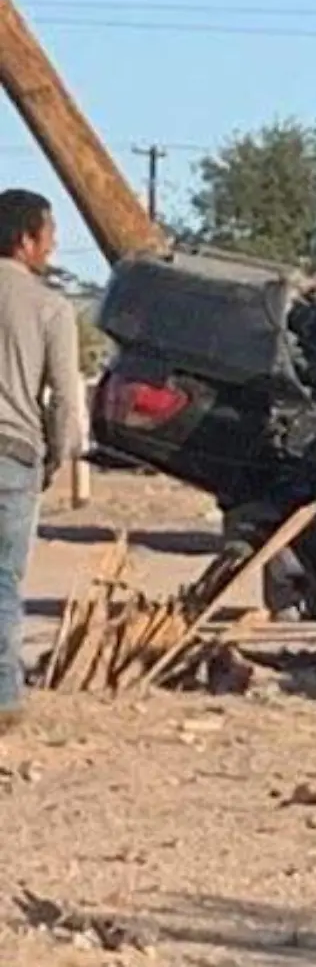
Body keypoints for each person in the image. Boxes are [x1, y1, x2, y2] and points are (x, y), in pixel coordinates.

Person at [0, 190, 85, 734]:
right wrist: (57, 455)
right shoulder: (51, 306)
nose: (53, 242)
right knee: (4, 578)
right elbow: (64, 399)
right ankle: (4, 695)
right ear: (26, 239)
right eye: (49, 232)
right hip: (13, 454)